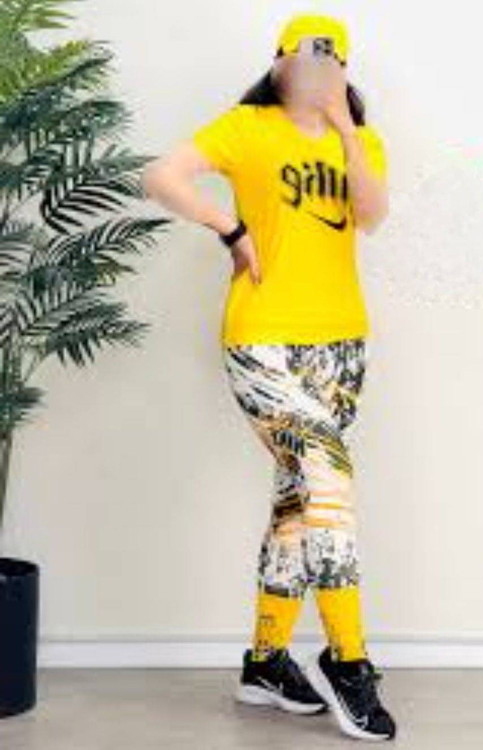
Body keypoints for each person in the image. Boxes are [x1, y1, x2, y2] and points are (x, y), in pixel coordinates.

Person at [142, 12, 396, 742]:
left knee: (298, 499)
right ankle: (348, 660)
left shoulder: (361, 138)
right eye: (304, 62)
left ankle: (265, 662)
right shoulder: (247, 127)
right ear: (279, 64)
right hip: (262, 339)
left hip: (341, 345)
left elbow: (372, 217)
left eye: (330, 65)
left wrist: (345, 128)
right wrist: (229, 228)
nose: (315, 75)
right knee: (329, 488)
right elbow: (160, 175)